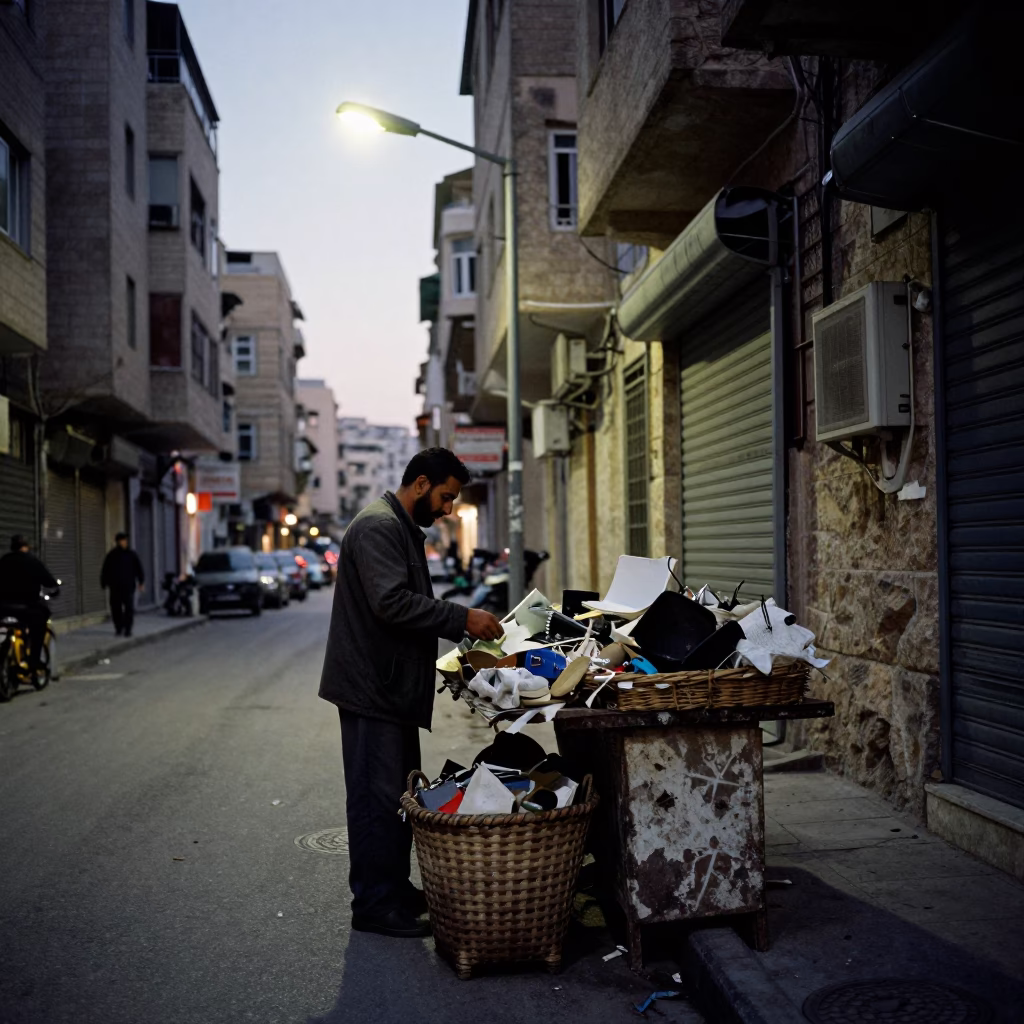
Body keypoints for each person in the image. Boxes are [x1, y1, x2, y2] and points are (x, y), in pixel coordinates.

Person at [319, 447, 502, 939]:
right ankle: (375, 905)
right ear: (420, 484)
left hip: (389, 686)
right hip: (371, 688)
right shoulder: (379, 526)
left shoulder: (399, 527)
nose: (447, 508)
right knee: (376, 799)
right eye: (445, 497)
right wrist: (463, 618)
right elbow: (392, 602)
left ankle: (394, 889)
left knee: (398, 796)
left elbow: (409, 604)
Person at [0, 535, 58, 683]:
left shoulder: (3, 561)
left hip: (3, 608)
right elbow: (49, 581)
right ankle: (33, 661)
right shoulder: (32, 561)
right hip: (26, 608)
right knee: (39, 626)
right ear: (26, 547)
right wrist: (54, 588)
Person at [100, 532, 145, 637]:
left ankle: (128, 629)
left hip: (128, 586)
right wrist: (103, 582)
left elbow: (139, 569)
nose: (123, 543)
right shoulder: (112, 555)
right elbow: (105, 569)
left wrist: (141, 582)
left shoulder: (131, 555)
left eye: (124, 540)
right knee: (116, 608)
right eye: (121, 541)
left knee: (129, 608)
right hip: (115, 586)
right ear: (117, 542)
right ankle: (119, 628)